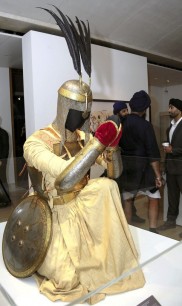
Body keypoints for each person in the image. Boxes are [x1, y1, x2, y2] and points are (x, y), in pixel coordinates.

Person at [2, 8, 145, 305]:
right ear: (65, 108)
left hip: (85, 210)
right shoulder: (36, 142)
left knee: (106, 187)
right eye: (81, 114)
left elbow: (114, 174)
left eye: (88, 115)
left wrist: (112, 148)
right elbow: (65, 179)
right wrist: (97, 145)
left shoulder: (83, 138)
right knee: (67, 281)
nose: (84, 120)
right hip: (53, 213)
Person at [119, 90, 163, 234]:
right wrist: (158, 176)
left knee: (128, 200)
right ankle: (153, 230)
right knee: (154, 197)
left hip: (128, 169)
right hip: (145, 170)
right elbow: (153, 153)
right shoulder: (146, 126)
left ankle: (127, 233)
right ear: (145, 109)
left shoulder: (121, 123)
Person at [113, 101, 145, 224]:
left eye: (126, 110)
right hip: (120, 165)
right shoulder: (116, 125)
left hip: (131, 164)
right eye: (123, 111)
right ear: (117, 113)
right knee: (123, 194)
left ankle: (132, 216)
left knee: (129, 193)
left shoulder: (128, 124)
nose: (126, 113)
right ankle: (123, 221)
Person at [157, 98, 182, 237]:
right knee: (172, 197)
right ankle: (170, 221)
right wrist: (164, 165)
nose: (169, 110)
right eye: (169, 107)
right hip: (171, 168)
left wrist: (173, 150)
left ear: (179, 108)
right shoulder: (169, 127)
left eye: (171, 107)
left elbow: (176, 149)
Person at [0, 124, 11, 207]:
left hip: (1, 162)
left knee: (3, 179)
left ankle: (6, 199)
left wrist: (2, 160)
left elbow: (5, 148)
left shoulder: (3, 133)